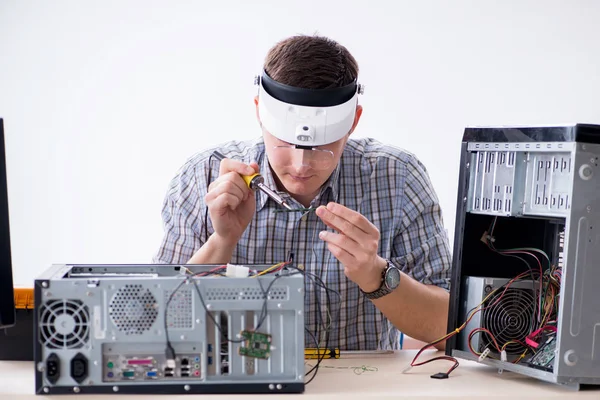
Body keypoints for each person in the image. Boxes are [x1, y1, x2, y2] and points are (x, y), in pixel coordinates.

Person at [153, 34, 452, 351]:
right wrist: (222, 241)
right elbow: (158, 327)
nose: (301, 165)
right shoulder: (202, 176)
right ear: (259, 111)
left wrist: (375, 276)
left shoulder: (397, 176)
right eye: (284, 143)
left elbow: (449, 326)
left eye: (321, 147)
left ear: (353, 122)